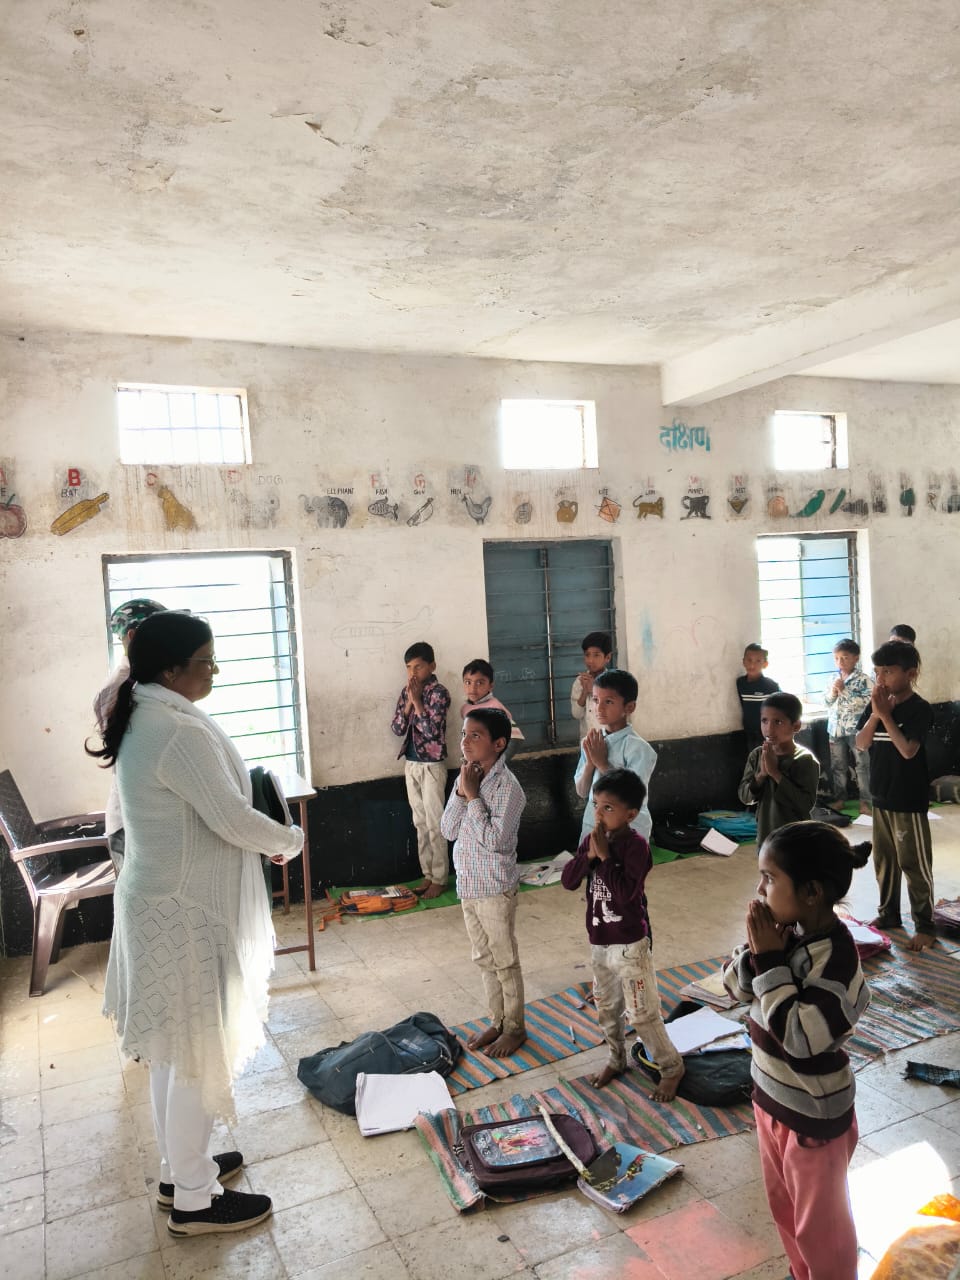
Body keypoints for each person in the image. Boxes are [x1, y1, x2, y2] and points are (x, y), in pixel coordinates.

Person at [89, 611, 304, 1237]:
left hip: (161, 904)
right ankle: (194, 1200)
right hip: (181, 912)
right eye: (206, 662)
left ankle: (179, 1170)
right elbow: (230, 816)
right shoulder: (173, 729)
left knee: (172, 1048)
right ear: (170, 670)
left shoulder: (147, 711)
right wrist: (288, 840)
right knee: (191, 1051)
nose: (213, 671)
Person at [722, 821, 872, 1280]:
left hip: (814, 1118)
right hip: (773, 1101)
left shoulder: (838, 961)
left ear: (810, 892)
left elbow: (801, 1039)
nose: (759, 889)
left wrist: (770, 960)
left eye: (769, 878)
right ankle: (801, 1272)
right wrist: (757, 953)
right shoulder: (782, 933)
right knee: (784, 1206)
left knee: (823, 1229)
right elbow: (732, 987)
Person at [561, 768, 684, 1099]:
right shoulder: (592, 842)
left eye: (608, 808)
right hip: (600, 943)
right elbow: (569, 881)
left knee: (642, 1014)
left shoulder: (636, 847)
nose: (599, 814)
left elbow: (626, 894)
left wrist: (604, 857)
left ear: (630, 814)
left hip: (630, 945)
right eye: (596, 806)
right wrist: (589, 855)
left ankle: (671, 1067)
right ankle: (616, 1059)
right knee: (607, 1009)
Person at [440, 708, 527, 1057]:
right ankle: (497, 1020)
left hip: (494, 888)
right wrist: (463, 794)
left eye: (475, 735)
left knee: (504, 960)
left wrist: (474, 796)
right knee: (484, 958)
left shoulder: (509, 788)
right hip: (469, 886)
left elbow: (495, 842)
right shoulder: (465, 778)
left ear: (499, 743)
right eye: (464, 734)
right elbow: (448, 830)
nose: (465, 742)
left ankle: (515, 1028)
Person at [855, 641, 936, 950]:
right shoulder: (876, 706)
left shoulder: (919, 709)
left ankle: (925, 925)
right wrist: (876, 715)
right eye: (877, 672)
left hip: (907, 799)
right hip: (881, 796)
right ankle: (888, 914)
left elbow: (907, 750)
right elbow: (861, 743)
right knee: (885, 861)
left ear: (910, 674)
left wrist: (887, 716)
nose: (881, 679)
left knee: (913, 864)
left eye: (888, 672)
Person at [94, 598, 167, 872]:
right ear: (133, 635)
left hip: (146, 816)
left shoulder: (148, 679)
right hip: (131, 824)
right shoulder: (120, 687)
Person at [390, 641, 452, 899]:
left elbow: (431, 732)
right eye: (409, 667)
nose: (413, 672)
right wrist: (409, 702)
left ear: (432, 666)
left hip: (432, 766)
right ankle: (428, 874)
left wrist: (417, 702)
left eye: (418, 666)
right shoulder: (405, 692)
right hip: (412, 764)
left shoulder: (440, 693)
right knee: (420, 822)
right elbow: (397, 728)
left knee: (435, 823)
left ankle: (440, 878)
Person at [574, 668, 656, 844]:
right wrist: (590, 764)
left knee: (621, 863)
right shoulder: (591, 742)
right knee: (593, 862)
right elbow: (581, 791)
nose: (599, 708)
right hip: (594, 825)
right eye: (596, 700)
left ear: (629, 707)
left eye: (609, 701)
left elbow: (631, 794)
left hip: (629, 830)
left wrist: (602, 763)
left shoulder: (639, 749)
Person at [738, 693, 819, 848]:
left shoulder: (804, 760)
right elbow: (745, 797)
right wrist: (761, 775)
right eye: (764, 721)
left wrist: (775, 773)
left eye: (778, 722)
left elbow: (804, 804)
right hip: (765, 838)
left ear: (796, 726)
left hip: (796, 839)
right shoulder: (757, 755)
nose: (769, 728)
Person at [823, 639, 873, 815]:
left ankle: (865, 802)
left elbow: (867, 703)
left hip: (856, 730)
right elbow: (826, 702)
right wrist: (833, 692)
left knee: (862, 766)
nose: (840, 662)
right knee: (838, 766)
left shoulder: (863, 679)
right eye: (836, 658)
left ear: (856, 658)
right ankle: (840, 799)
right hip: (835, 730)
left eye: (845, 657)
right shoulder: (832, 678)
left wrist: (844, 690)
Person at [460, 658, 525, 751]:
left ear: (490, 686)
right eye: (468, 682)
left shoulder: (494, 708)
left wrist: (498, 758)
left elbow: (515, 739)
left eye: (479, 683)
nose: (472, 688)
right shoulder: (465, 709)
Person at [737, 643, 780, 753]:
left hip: (767, 733)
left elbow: (781, 707)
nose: (752, 664)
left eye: (758, 661)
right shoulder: (741, 683)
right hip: (749, 731)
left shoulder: (771, 686)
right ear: (743, 662)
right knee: (754, 758)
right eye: (749, 660)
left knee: (768, 758)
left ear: (765, 664)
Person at [571, 630, 613, 739]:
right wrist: (585, 692)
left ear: (608, 657)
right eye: (587, 655)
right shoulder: (580, 682)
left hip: (610, 741)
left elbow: (618, 714)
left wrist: (595, 690)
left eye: (596, 655)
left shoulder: (615, 682)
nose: (590, 660)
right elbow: (576, 714)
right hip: (587, 742)